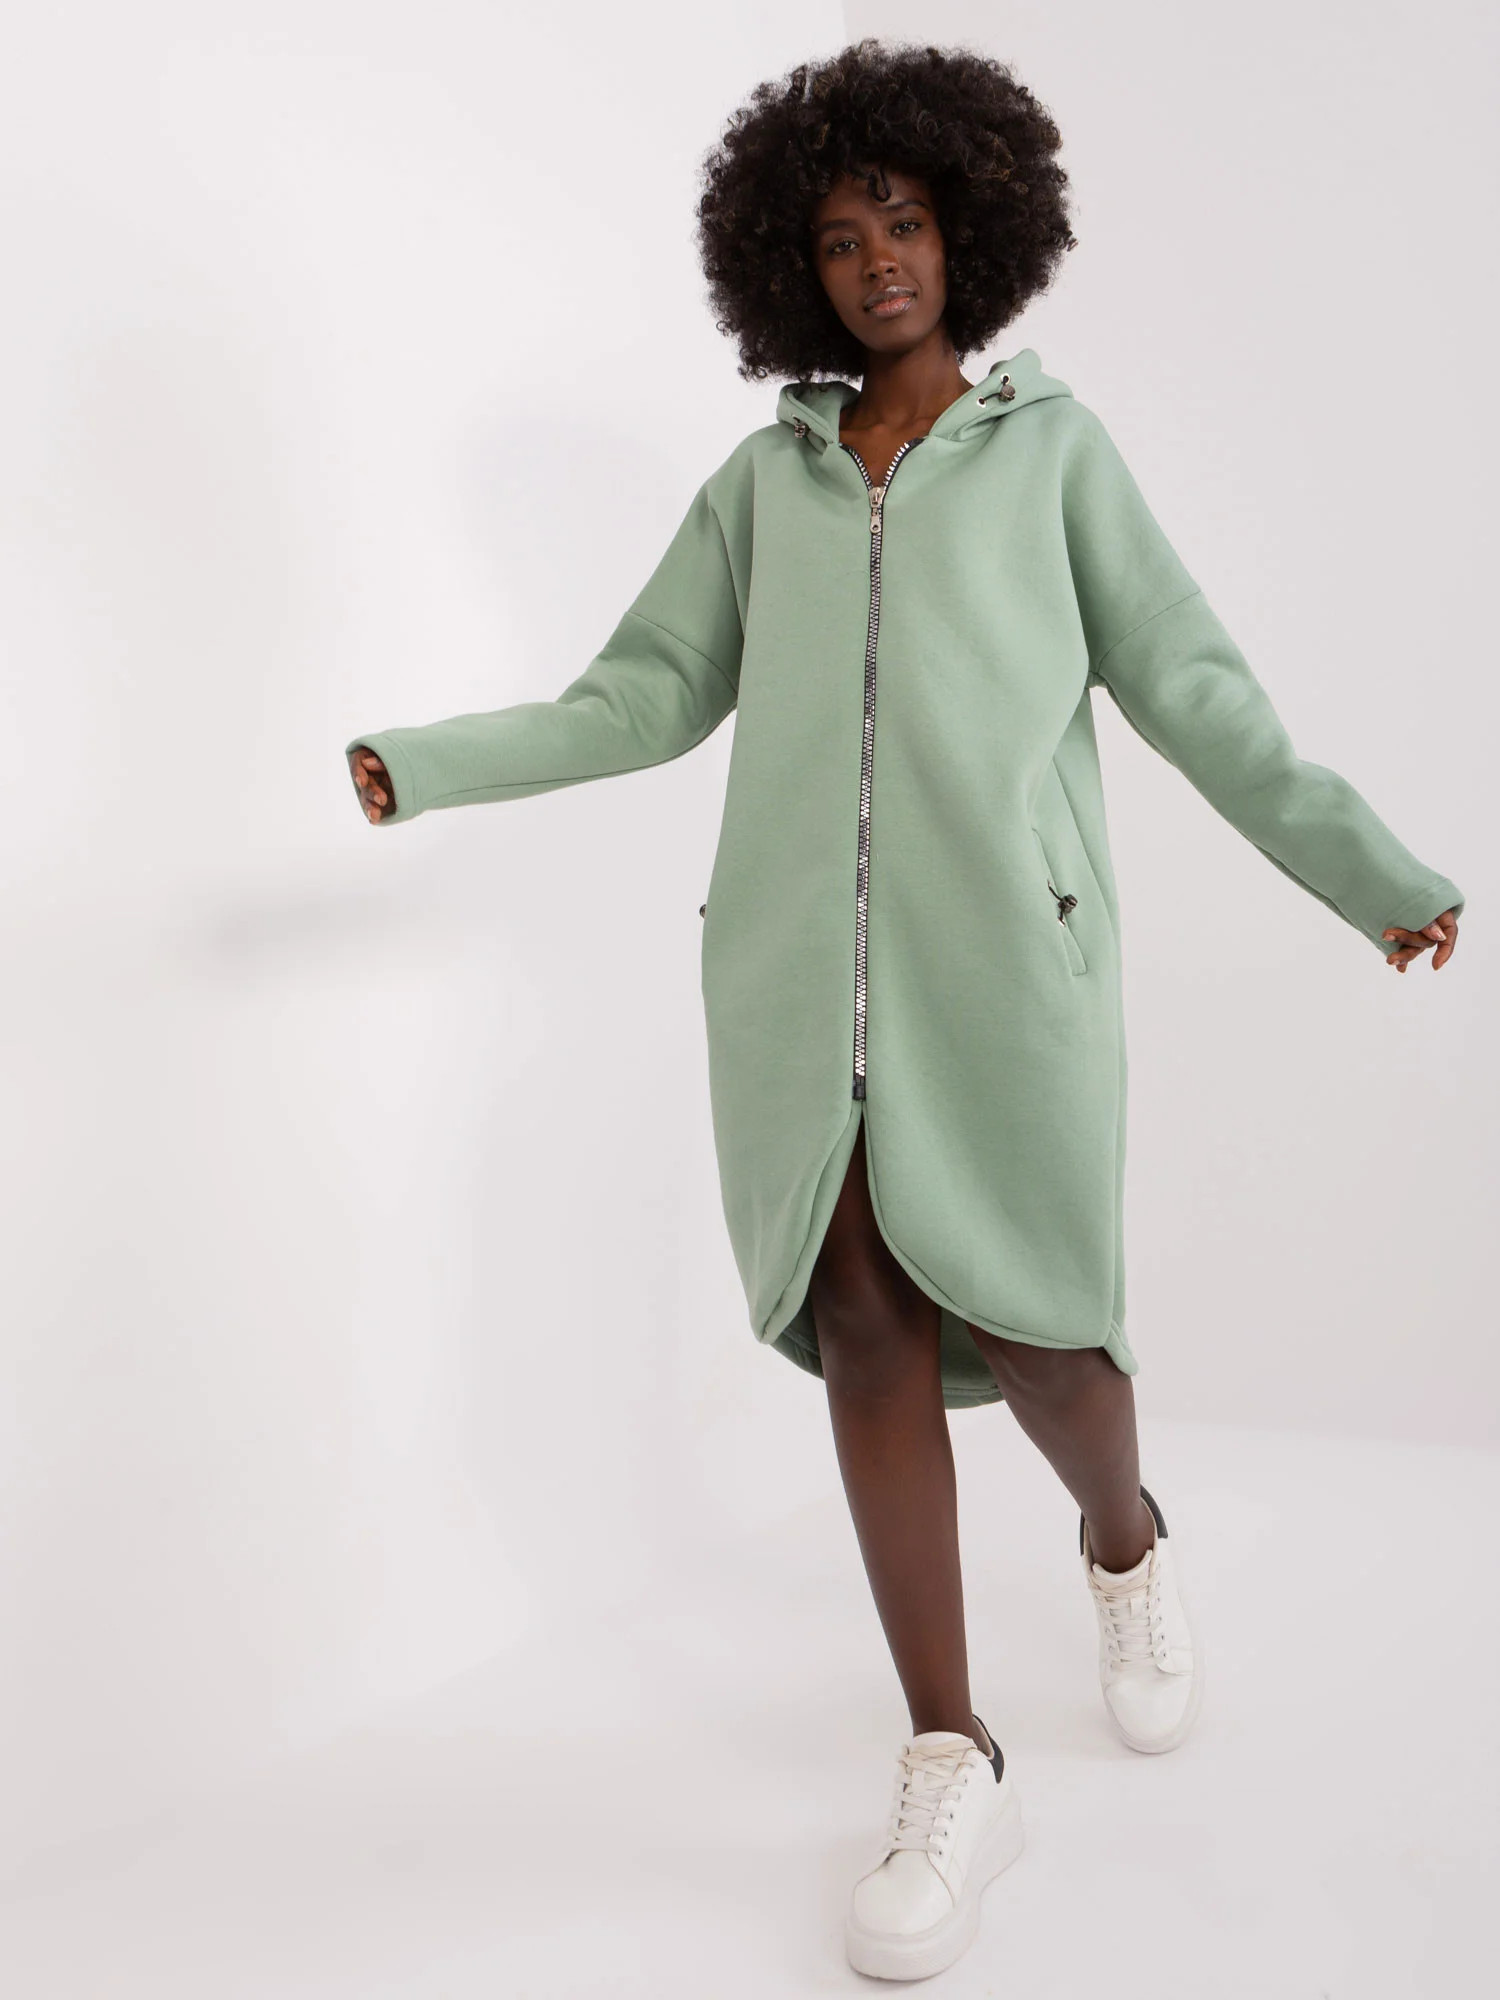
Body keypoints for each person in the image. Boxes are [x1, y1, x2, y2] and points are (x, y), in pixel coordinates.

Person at [344, 39, 1463, 1984]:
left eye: (908, 224)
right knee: (864, 1320)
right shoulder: (762, 487)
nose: (877, 263)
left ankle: (1123, 1540)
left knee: (1046, 1337)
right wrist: (428, 762)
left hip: (1009, 971)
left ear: (973, 233)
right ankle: (953, 1751)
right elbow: (642, 694)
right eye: (842, 238)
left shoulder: (1056, 456)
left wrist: (1365, 869)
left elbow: (1194, 687)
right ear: (791, 269)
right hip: (800, 993)